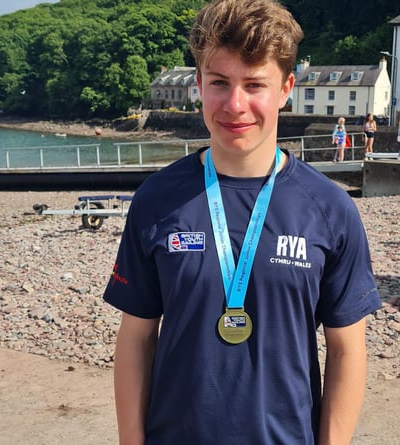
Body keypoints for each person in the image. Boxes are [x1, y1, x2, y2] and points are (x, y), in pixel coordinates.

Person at [103, 1, 382, 444]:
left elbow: (347, 349)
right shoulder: (157, 200)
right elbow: (136, 336)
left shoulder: (330, 209)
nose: (235, 105)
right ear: (198, 84)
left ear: (286, 88)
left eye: (255, 85)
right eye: (219, 83)